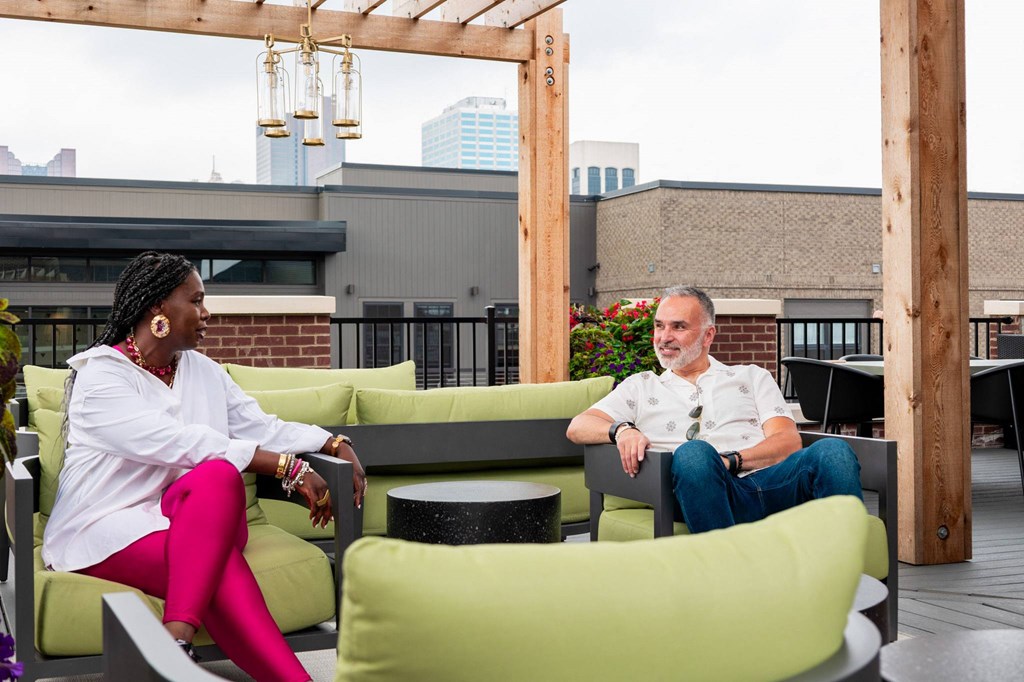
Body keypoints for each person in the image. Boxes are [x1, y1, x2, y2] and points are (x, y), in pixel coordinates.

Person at [42, 251, 367, 682]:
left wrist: (333, 441)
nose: (206, 313)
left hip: (203, 514)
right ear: (158, 307)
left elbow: (260, 426)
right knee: (217, 561)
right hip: (106, 527)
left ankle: (171, 649)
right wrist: (288, 468)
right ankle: (193, 645)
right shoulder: (101, 377)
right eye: (195, 301)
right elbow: (177, 442)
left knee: (216, 478)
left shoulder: (203, 371)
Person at [567, 285, 862, 533]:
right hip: (700, 492)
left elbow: (787, 441)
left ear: (708, 335)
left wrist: (732, 461)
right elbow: (578, 426)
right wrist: (622, 430)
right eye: (659, 325)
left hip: (771, 484)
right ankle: (726, 569)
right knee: (694, 454)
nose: (664, 336)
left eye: (678, 326)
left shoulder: (750, 376)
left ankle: (847, 577)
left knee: (832, 452)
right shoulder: (641, 386)